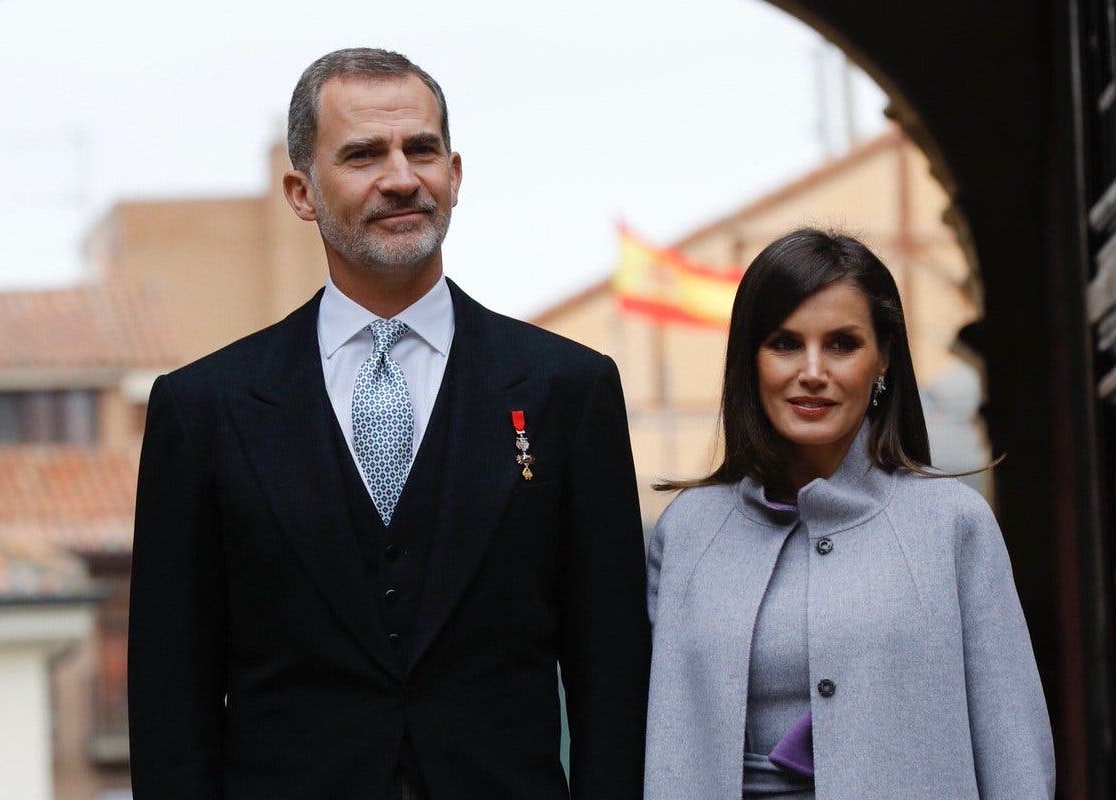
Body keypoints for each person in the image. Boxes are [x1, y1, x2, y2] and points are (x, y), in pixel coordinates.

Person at [128, 47, 650, 800]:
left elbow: (612, 675)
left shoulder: (569, 389)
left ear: (456, 175)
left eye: (422, 150)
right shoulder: (204, 410)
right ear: (302, 192)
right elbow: (171, 698)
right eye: (365, 154)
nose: (402, 177)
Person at [643, 229, 1055, 799]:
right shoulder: (687, 532)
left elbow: (1016, 757)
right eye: (785, 343)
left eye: (842, 344)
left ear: (883, 356)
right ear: (749, 360)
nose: (813, 370)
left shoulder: (952, 524)